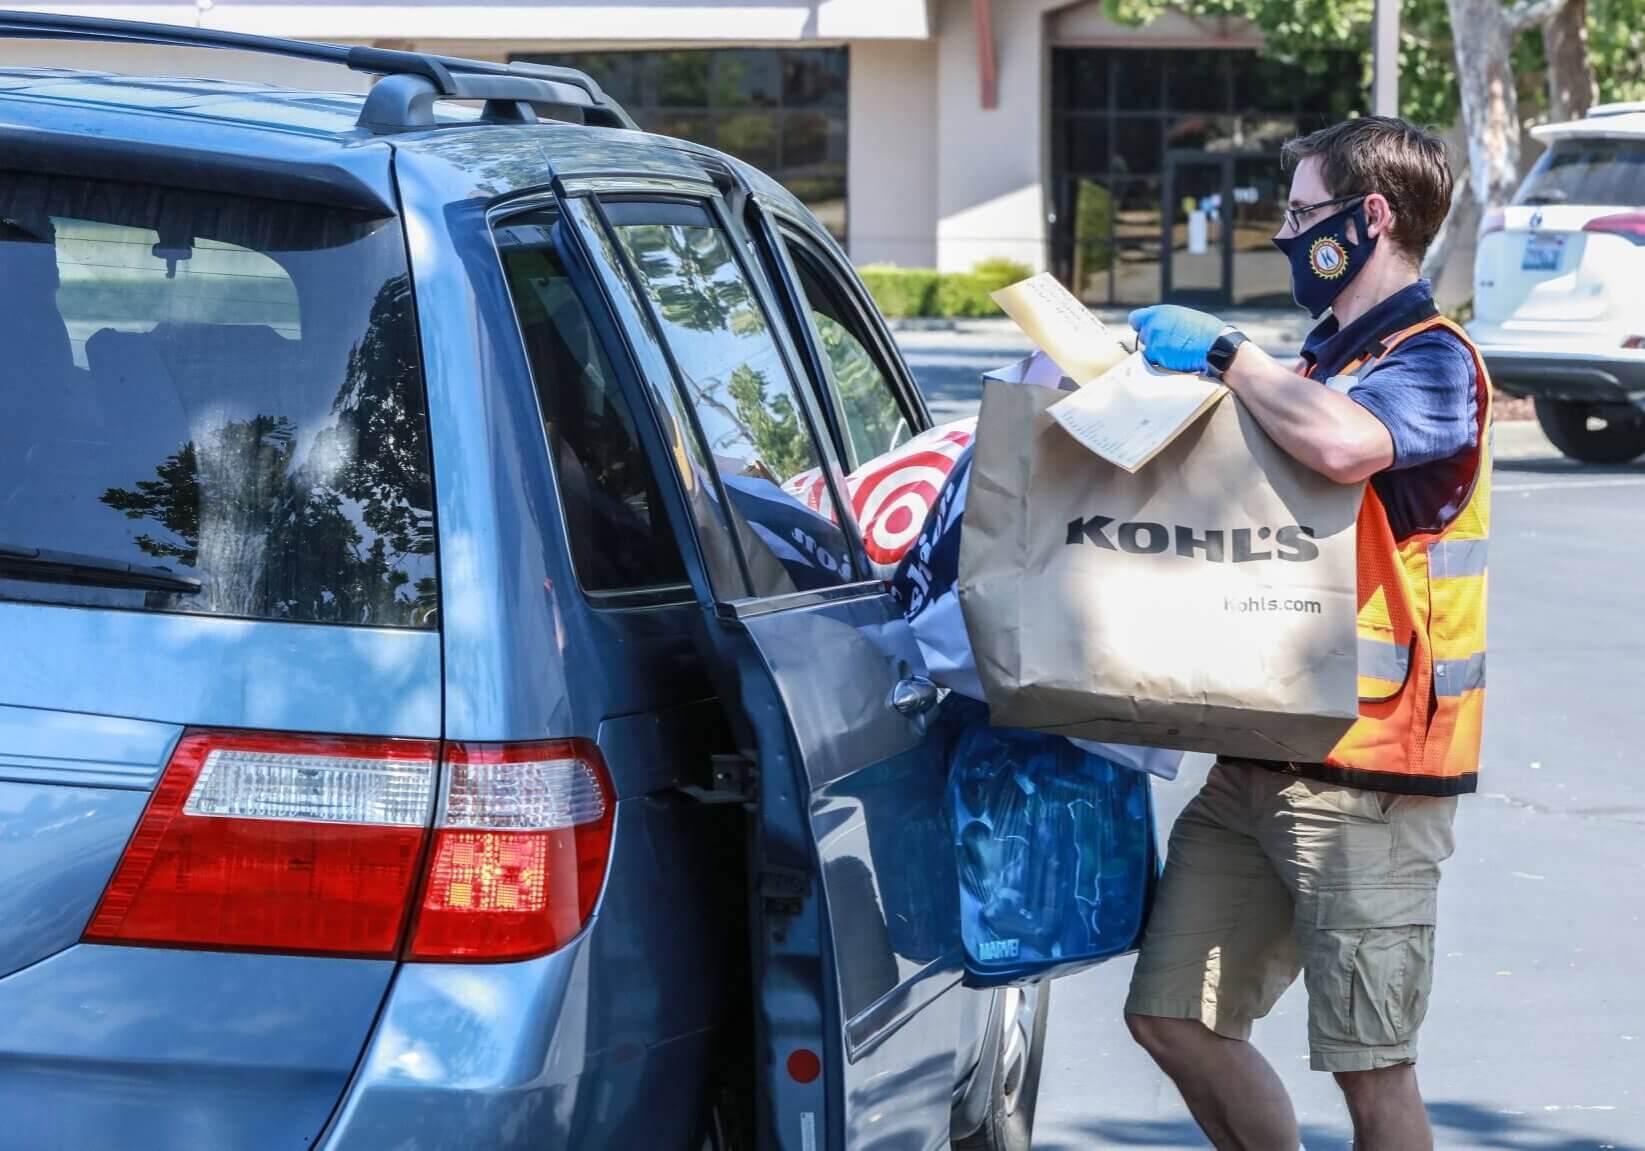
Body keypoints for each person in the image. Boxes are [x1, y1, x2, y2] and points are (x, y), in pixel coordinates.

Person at [1122, 116, 1491, 1151]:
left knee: (1372, 1072)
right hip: (1255, 754)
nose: (1286, 236)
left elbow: (1344, 446)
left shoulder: (1430, 361)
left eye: (1300, 215)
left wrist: (1228, 352)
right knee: (1172, 1016)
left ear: (1369, 218)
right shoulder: (1328, 359)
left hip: (1368, 776)